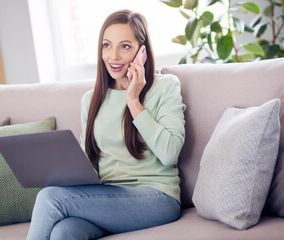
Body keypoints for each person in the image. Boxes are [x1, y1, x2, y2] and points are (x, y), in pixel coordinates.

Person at [26, 9, 186, 240]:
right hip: (109, 199)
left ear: (142, 51)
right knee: (64, 232)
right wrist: (66, 173)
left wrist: (133, 99)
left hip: (158, 198)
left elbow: (170, 153)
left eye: (125, 46)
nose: (113, 56)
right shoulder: (90, 100)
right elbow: (89, 163)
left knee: (49, 198)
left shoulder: (165, 87)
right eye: (107, 45)